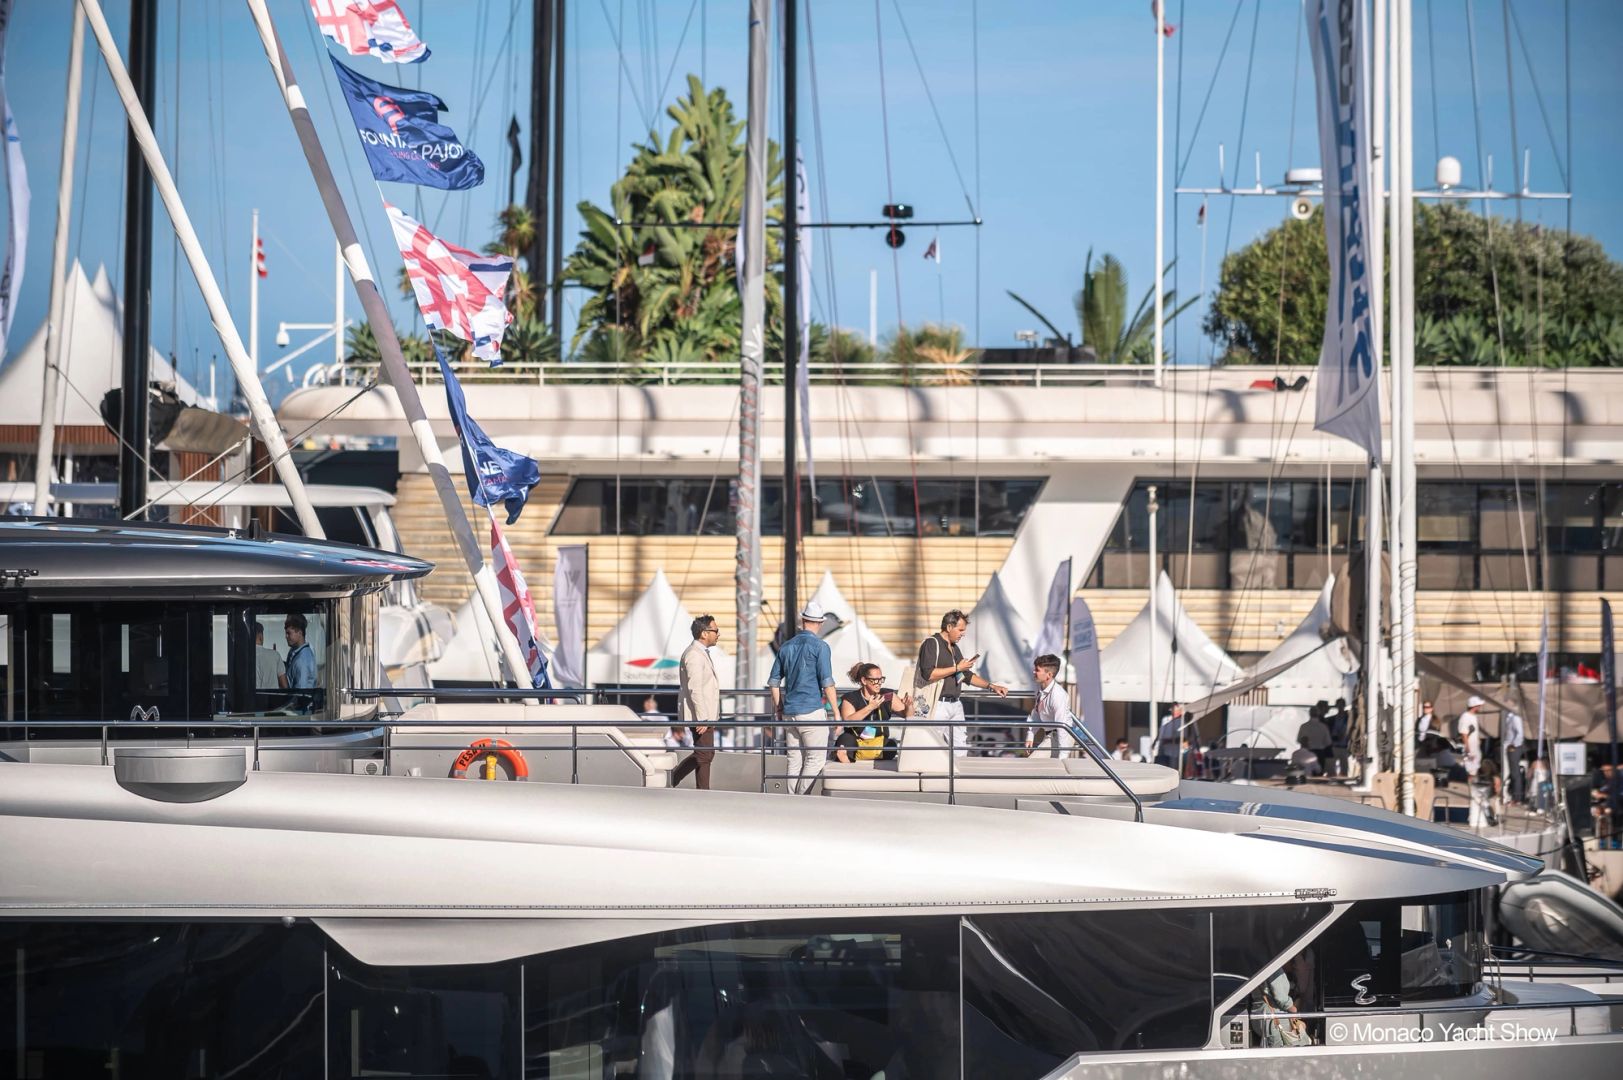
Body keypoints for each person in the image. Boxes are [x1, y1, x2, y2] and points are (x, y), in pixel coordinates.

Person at [913, 610, 1009, 756]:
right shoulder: (931, 643)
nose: (963, 634)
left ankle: (956, 778)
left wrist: (992, 686)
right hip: (936, 704)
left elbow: (966, 675)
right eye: (961, 630)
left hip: (956, 704)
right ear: (949, 627)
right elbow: (929, 674)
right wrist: (958, 668)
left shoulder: (954, 647)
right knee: (932, 747)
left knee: (960, 749)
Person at [768, 602, 839, 794]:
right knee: (815, 760)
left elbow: (773, 683)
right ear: (820, 623)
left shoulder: (786, 646)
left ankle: (791, 801)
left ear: (802, 620)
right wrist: (837, 713)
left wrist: (779, 707)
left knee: (794, 760)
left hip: (790, 712)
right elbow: (827, 683)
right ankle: (802, 799)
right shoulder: (821, 647)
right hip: (811, 711)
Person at [672, 615, 721, 790]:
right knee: (704, 754)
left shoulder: (700, 653)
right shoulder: (694, 654)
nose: (718, 634)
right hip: (701, 714)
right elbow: (695, 688)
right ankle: (674, 779)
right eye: (715, 630)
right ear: (704, 633)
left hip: (705, 714)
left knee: (706, 754)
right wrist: (702, 718)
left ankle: (701, 791)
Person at [837, 662, 910, 764]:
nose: (879, 683)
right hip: (856, 741)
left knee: (891, 745)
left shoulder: (887, 695)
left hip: (878, 743)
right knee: (844, 740)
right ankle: (847, 761)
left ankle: (862, 757)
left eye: (881, 679)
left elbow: (907, 715)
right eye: (875, 680)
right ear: (864, 680)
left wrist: (909, 706)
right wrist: (870, 707)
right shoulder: (850, 698)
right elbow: (848, 721)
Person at [1023, 654, 1080, 758]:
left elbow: (1062, 725)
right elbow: (1035, 714)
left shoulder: (1058, 695)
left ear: (1048, 675)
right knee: (1036, 767)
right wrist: (1030, 736)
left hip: (1062, 736)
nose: (1034, 672)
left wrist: (1063, 755)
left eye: (1037, 670)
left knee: (1032, 763)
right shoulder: (1040, 690)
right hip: (1050, 736)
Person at [283, 613, 317, 690]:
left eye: (289, 633)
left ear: (300, 633)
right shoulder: (294, 651)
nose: (286, 637)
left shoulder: (302, 660)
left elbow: (300, 692)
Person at [1297, 706, 1333, 775]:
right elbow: (1328, 742)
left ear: (1309, 714)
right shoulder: (1323, 726)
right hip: (1320, 753)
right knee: (1319, 774)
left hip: (1307, 752)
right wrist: (1321, 745)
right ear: (1318, 714)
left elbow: (1299, 740)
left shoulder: (1304, 726)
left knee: (1307, 773)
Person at [1502, 707, 1526, 804]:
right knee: (1507, 772)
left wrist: (1514, 745)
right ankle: (1508, 794)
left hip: (1513, 747)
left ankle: (1517, 797)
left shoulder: (1515, 717)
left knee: (1515, 773)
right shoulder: (1507, 715)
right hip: (1507, 745)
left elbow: (1520, 734)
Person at [253, 621, 282, 692]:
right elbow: (284, 685)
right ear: (260, 636)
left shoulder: (243, 656)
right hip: (272, 700)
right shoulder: (275, 655)